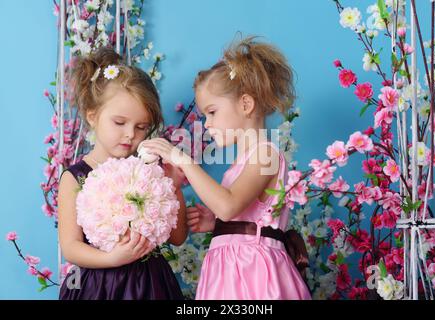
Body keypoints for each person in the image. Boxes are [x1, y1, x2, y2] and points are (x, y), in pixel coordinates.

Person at [140, 36, 311, 300]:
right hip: (232, 268)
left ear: (245, 104)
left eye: (212, 112)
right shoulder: (242, 162)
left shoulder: (266, 153)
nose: (206, 124)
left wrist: (183, 160)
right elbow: (237, 212)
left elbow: (228, 205)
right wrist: (220, 223)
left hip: (253, 273)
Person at [58, 47, 187, 300]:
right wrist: (111, 258)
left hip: (149, 284)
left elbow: (178, 237)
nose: (131, 134)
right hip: (98, 285)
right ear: (93, 116)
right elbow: (71, 247)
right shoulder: (74, 177)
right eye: (120, 123)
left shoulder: (150, 172)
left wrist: (174, 187)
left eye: (141, 127)